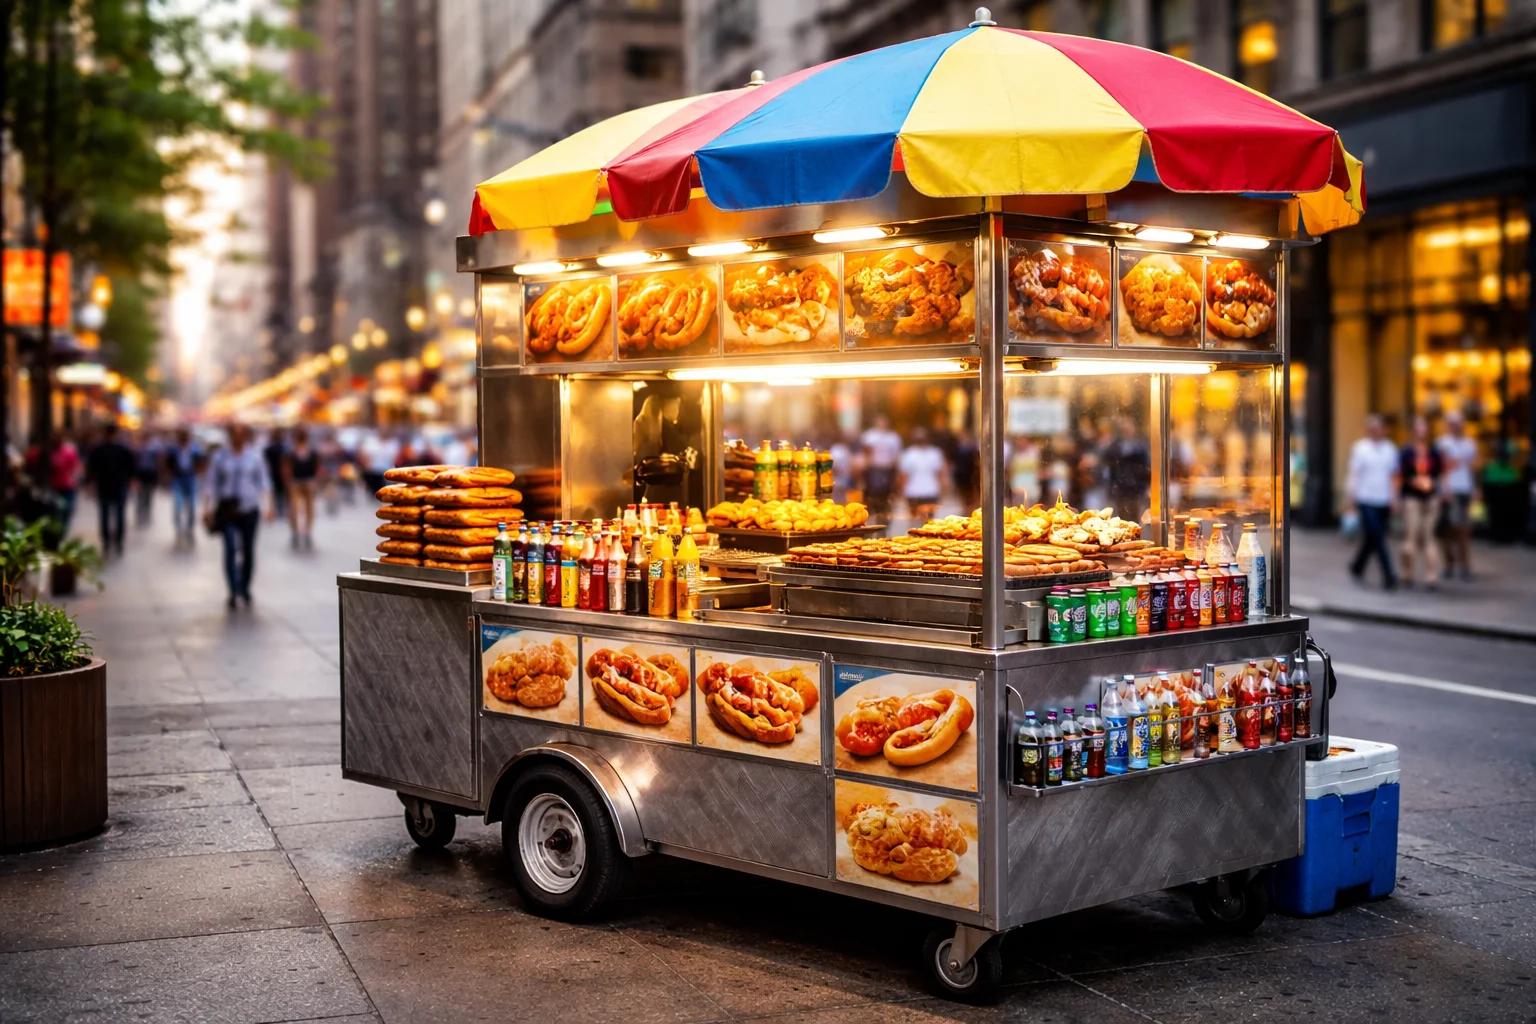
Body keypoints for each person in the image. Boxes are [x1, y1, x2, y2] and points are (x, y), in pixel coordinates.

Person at [207, 424, 272, 608]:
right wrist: (209, 507)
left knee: (248, 550)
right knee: (229, 548)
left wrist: (268, 506)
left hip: (249, 508)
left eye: (241, 435)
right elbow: (211, 483)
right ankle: (233, 590)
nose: (238, 438)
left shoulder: (254, 456)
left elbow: (264, 482)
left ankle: (245, 586)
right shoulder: (220, 456)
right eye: (235, 435)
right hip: (227, 510)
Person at [1346, 415, 1399, 590]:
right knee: (1378, 537)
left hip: (1383, 499)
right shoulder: (1361, 448)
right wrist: (1350, 498)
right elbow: (1354, 475)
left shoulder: (1390, 449)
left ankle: (1357, 566)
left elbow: (1394, 476)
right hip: (1366, 498)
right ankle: (1389, 575)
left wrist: (1394, 498)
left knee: (1371, 539)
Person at [1396, 417, 1443, 588]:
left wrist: (1438, 487)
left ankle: (1431, 575)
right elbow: (1400, 476)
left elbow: (1440, 474)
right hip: (1412, 498)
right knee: (1411, 536)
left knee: (1429, 536)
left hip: (1430, 498)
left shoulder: (1434, 452)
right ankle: (1406, 572)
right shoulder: (1407, 453)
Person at [1437, 411, 1478, 580]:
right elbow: (1441, 468)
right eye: (1453, 423)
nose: (1456, 426)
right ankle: (1448, 563)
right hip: (1449, 491)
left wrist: (1476, 488)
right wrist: (1444, 489)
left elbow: (1474, 467)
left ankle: (1464, 566)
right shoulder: (1442, 443)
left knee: (1464, 530)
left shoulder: (1470, 444)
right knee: (1448, 530)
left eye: (1459, 423)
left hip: (1465, 490)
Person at [86, 424, 137, 556]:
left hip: (116, 486)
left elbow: (130, 467)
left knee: (116, 515)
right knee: (108, 516)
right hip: (109, 486)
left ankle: (115, 541)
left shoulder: (117, 449)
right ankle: (109, 542)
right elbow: (91, 468)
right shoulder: (101, 449)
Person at [1102, 416, 1152, 520]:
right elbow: (1110, 465)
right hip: (1121, 488)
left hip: (1135, 488)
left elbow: (1146, 466)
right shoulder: (1115, 446)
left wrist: (1146, 485)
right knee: (1122, 515)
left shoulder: (1140, 446)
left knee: (1135, 515)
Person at [897, 427, 948, 524]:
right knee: (928, 521)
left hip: (915, 491)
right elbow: (941, 474)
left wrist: (901, 490)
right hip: (928, 491)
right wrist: (944, 488)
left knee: (917, 520)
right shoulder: (935, 453)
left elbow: (903, 476)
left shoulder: (909, 454)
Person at [284, 426, 321, 549]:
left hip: (308, 481)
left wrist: (315, 479)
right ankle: (296, 531)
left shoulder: (310, 451)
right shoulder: (291, 451)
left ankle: (307, 532)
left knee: (309, 508)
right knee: (294, 508)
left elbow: (316, 466)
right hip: (296, 481)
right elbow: (287, 467)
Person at [860, 415, 903, 516]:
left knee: (886, 493)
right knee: (873, 492)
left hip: (887, 469)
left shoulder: (893, 437)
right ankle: (872, 510)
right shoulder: (870, 436)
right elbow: (866, 452)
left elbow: (896, 454)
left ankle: (884, 513)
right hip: (874, 468)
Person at [167, 428, 203, 544]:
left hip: (190, 479)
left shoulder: (195, 449)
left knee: (192, 506)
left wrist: (198, 472)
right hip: (178, 479)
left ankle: (190, 529)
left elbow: (202, 461)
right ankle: (178, 529)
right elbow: (168, 463)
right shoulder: (174, 449)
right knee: (178, 506)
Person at [133, 430, 162, 526]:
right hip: (141, 474)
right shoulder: (138, 448)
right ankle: (140, 514)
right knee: (140, 496)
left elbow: (158, 461)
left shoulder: (153, 448)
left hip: (150, 474)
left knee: (148, 495)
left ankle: (146, 514)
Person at [263, 429, 289, 519]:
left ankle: (279, 510)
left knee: (278, 493)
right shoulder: (281, 448)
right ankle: (279, 511)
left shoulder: (271, 449)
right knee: (279, 494)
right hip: (277, 474)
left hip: (277, 473)